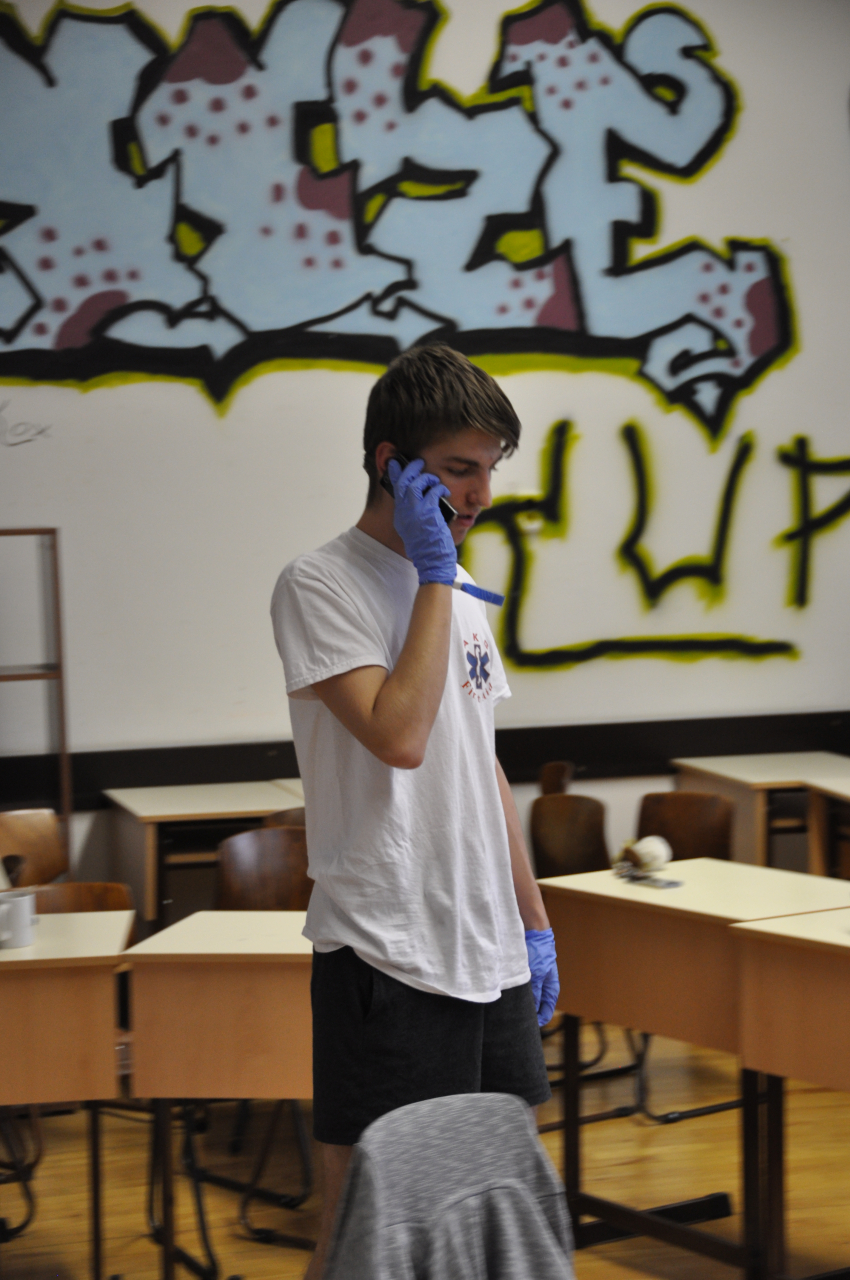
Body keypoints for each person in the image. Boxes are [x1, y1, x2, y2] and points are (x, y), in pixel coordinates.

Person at [271, 344, 560, 1279]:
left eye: (490, 470)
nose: (479, 495)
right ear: (392, 463)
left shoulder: (460, 597)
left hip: (489, 946)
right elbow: (398, 735)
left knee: (494, 1210)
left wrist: (534, 924)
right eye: (458, 469)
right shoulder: (320, 582)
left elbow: (480, 763)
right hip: (387, 950)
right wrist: (435, 577)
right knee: (368, 1232)